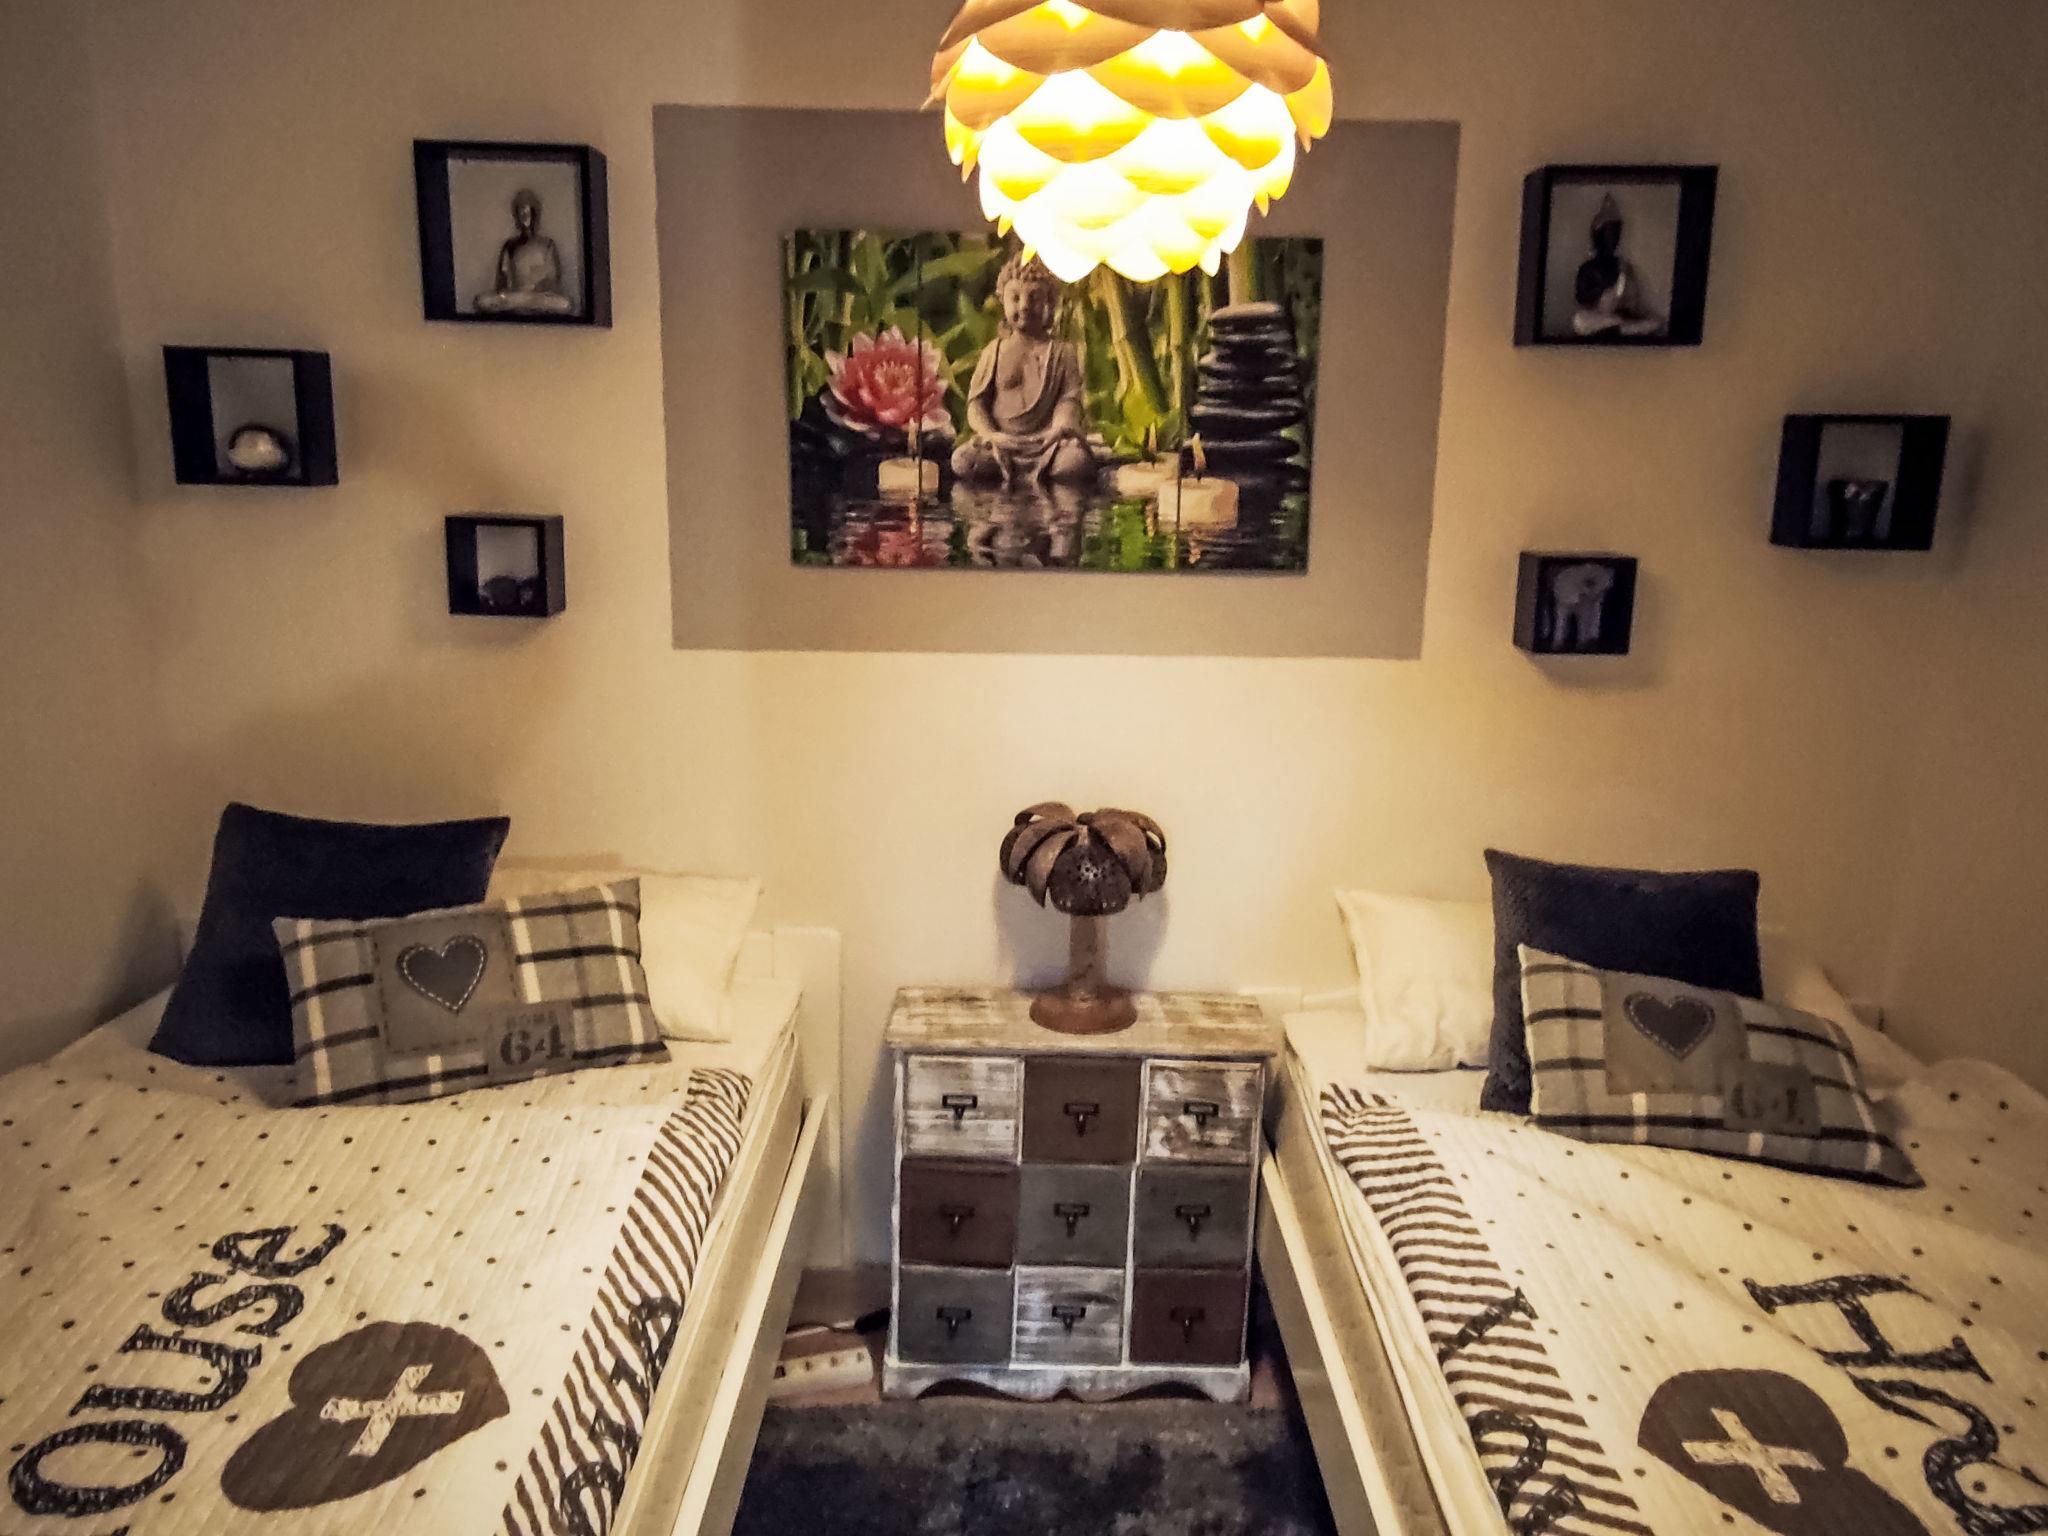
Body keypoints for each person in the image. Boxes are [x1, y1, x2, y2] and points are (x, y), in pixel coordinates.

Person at [951, 252, 1095, 485]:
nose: (1025, 306)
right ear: (1003, 302)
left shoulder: (1062, 352)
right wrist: (990, 434)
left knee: (1074, 463)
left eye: (1034, 298)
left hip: (1046, 444)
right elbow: (976, 403)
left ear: (1050, 303)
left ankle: (1048, 465)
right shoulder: (994, 351)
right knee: (963, 460)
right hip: (1001, 443)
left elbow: (1069, 399)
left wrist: (1059, 427)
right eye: (1015, 298)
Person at [1570, 193, 1662, 339]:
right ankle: (1613, 327)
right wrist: (1600, 295)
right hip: (1597, 317)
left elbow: (1634, 303)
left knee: (1653, 322)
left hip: (1620, 318)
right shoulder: (1588, 268)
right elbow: (1581, 297)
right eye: (1607, 233)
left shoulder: (1624, 267)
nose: (1611, 239)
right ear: (1597, 236)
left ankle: (1615, 328)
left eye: (1615, 234)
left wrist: (1622, 304)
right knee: (1579, 320)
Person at [475, 189, 574, 316]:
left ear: (535, 215)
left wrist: (542, 287)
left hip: (539, 298)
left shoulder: (547, 244)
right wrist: (507, 293)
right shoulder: (510, 245)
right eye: (520, 214)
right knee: (483, 301)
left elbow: (553, 279)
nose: (524, 219)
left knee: (564, 303)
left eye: (528, 214)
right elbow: (502, 282)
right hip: (516, 297)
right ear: (516, 217)